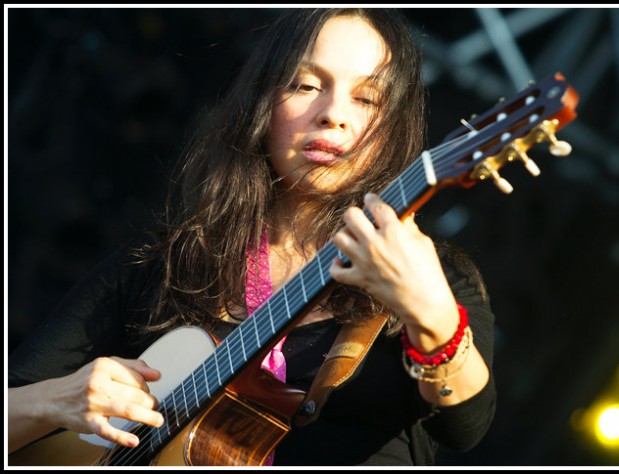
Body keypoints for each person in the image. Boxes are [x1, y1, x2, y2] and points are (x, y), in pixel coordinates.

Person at [7, 8, 496, 466]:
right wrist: (54, 399)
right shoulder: (163, 265)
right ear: (263, 102)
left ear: (392, 129)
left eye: (366, 98)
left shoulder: (434, 275)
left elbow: (466, 426)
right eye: (306, 85)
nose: (333, 114)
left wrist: (429, 313)